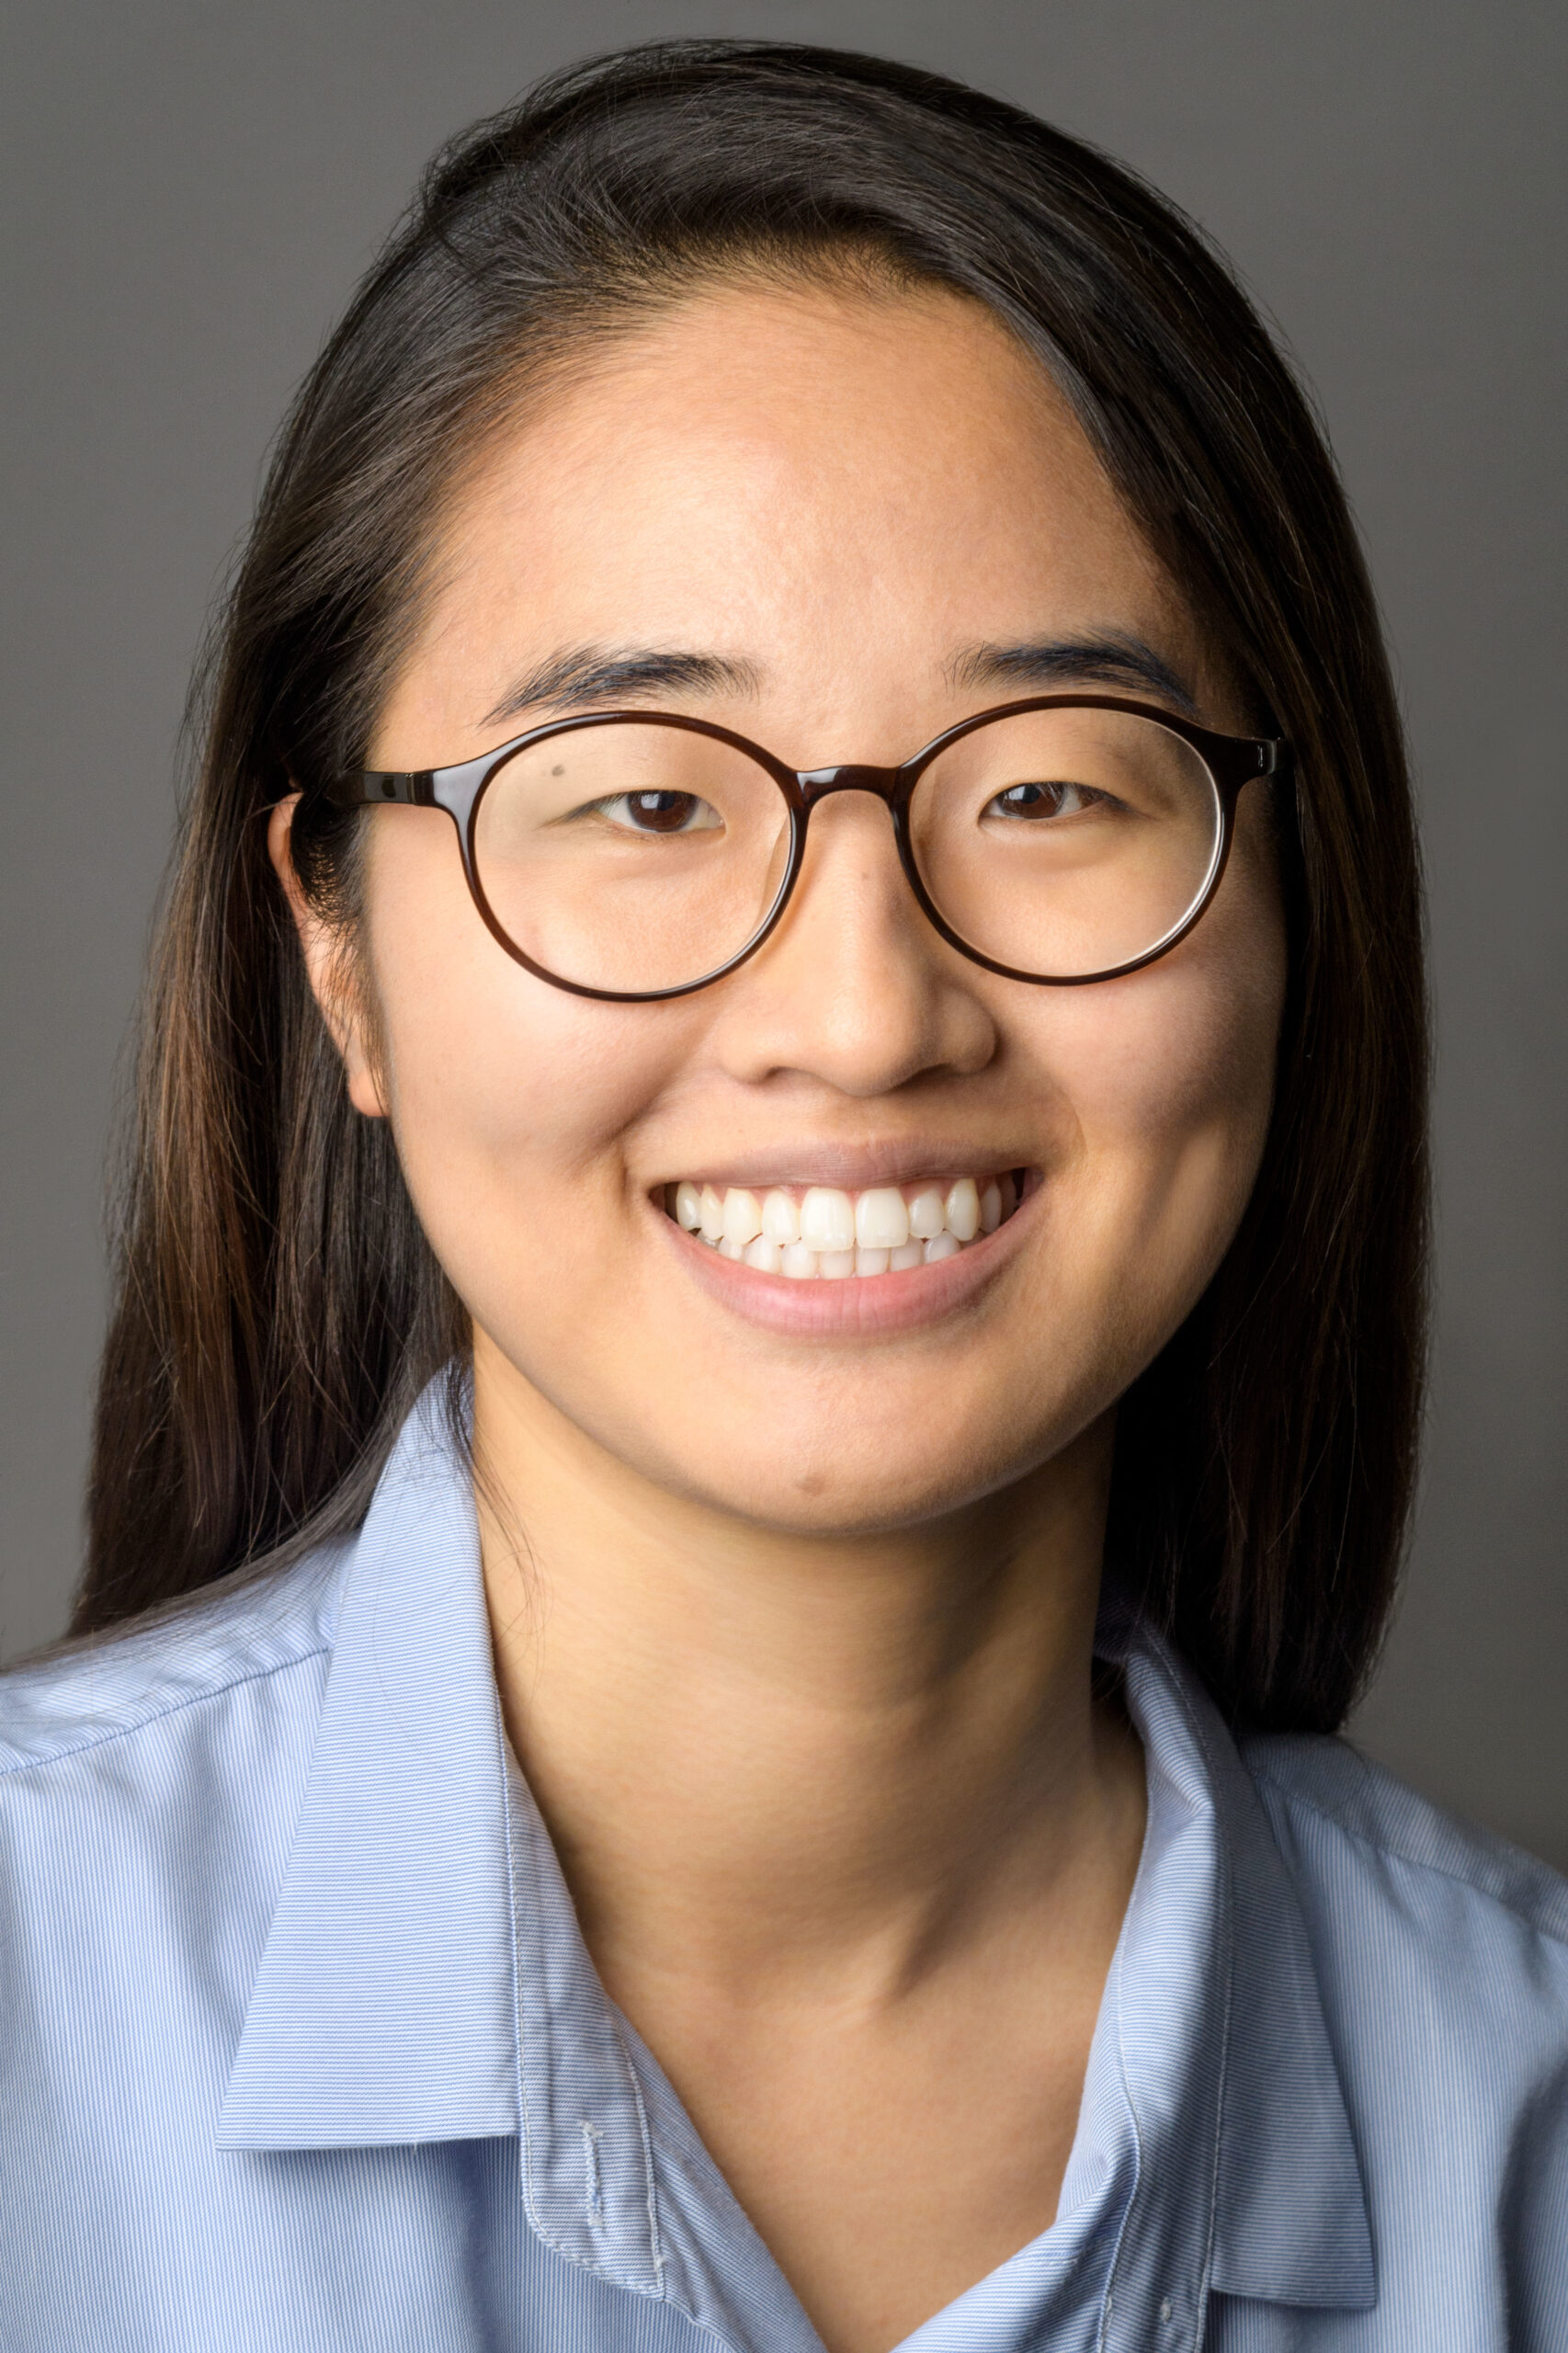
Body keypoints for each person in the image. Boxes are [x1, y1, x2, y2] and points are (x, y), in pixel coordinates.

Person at [3, 37, 1563, 2353]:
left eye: (1046, 790)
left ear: (1286, 920)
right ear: (338, 952)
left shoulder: (1522, 2120)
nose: (859, 1011)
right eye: (641, 799)